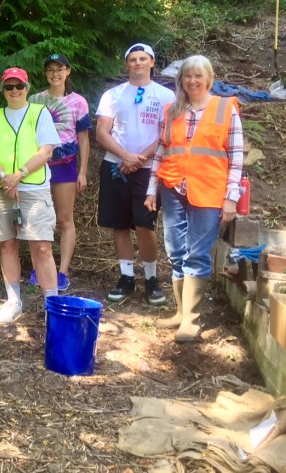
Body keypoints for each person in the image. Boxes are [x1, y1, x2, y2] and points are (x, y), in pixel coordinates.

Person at [144, 56, 243, 342]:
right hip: (173, 187)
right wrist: (151, 189)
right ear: (181, 80)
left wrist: (231, 198)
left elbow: (236, 156)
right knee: (175, 251)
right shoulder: (172, 110)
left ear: (209, 79)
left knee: (197, 254)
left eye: (199, 76)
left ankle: (191, 319)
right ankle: (180, 312)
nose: (193, 81)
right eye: (188, 76)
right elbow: (161, 152)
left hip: (209, 190)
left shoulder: (225, 108)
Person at [0, 67, 61, 323]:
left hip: (33, 188)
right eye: (9, 86)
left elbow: (46, 151)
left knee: (42, 247)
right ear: (3, 90)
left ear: (27, 88)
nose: (14, 91)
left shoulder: (40, 113)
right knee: (7, 244)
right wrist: (5, 177)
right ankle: (13, 301)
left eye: (19, 86)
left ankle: (52, 305)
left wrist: (19, 175)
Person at [96, 43, 175, 305]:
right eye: (132, 59)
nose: (138, 63)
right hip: (115, 166)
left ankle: (151, 279)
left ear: (152, 62)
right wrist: (125, 156)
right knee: (119, 224)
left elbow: (167, 135)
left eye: (142, 59)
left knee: (144, 223)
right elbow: (102, 132)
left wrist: (139, 159)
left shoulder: (166, 95)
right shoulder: (112, 95)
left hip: (149, 169)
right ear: (127, 64)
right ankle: (126, 277)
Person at [28, 54, 91, 292]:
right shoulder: (35, 100)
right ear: (45, 73)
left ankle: (62, 272)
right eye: (50, 70)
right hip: (38, 166)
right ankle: (38, 269)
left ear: (68, 71)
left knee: (64, 219)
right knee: (35, 219)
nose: (55, 74)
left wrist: (82, 172)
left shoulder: (78, 102)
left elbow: (84, 139)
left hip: (65, 165)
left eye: (59, 69)